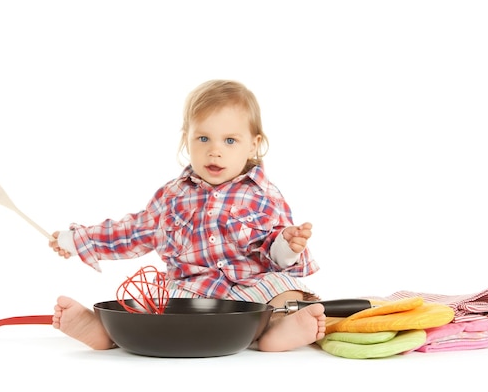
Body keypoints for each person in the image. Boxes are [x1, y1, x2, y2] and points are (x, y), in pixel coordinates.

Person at [49, 79, 326, 352]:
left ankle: (278, 329)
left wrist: (287, 246)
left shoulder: (264, 194)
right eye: (203, 138)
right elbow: (133, 232)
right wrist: (77, 240)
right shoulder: (173, 195)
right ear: (186, 139)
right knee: (148, 306)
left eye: (230, 140)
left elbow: (276, 253)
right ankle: (105, 332)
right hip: (190, 293)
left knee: (286, 293)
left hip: (250, 288)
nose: (214, 151)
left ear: (253, 145)